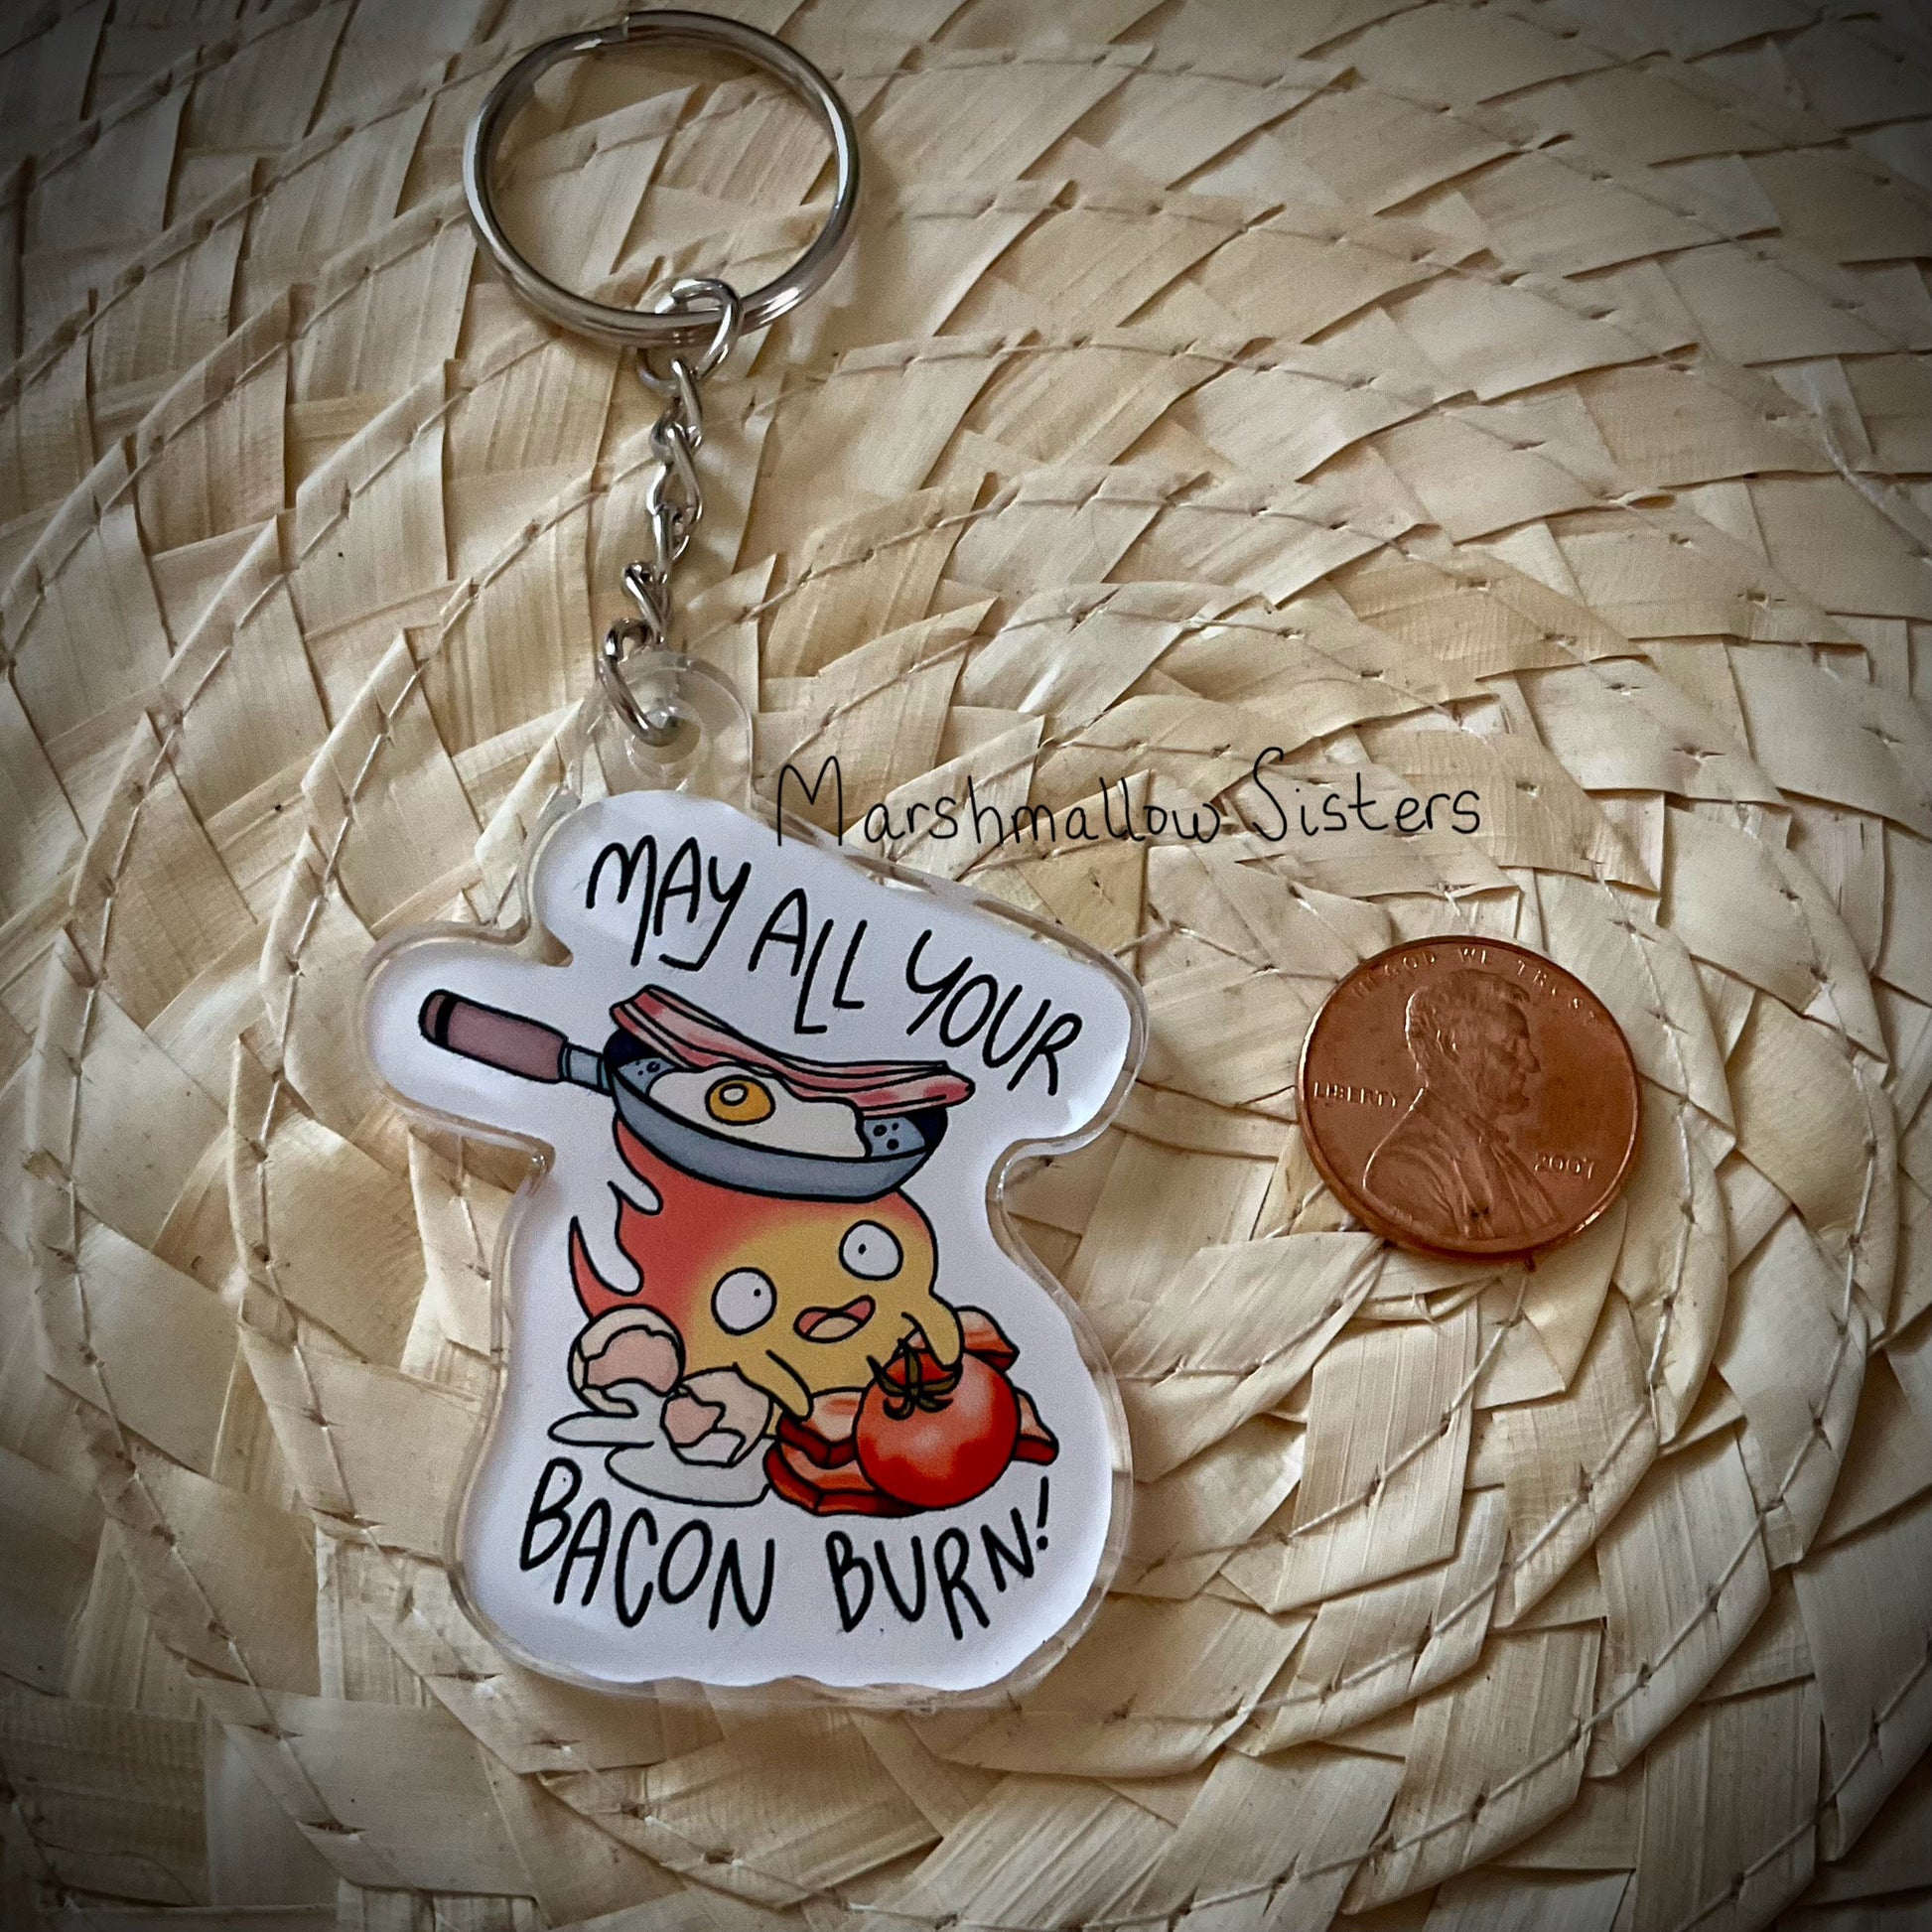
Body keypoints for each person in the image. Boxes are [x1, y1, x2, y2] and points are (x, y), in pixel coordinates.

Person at [1363, 970, 1557, 1244]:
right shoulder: (1403, 1168)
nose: (1531, 1064)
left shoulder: (1500, 1156)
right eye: (1512, 1047)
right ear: (1452, 1045)